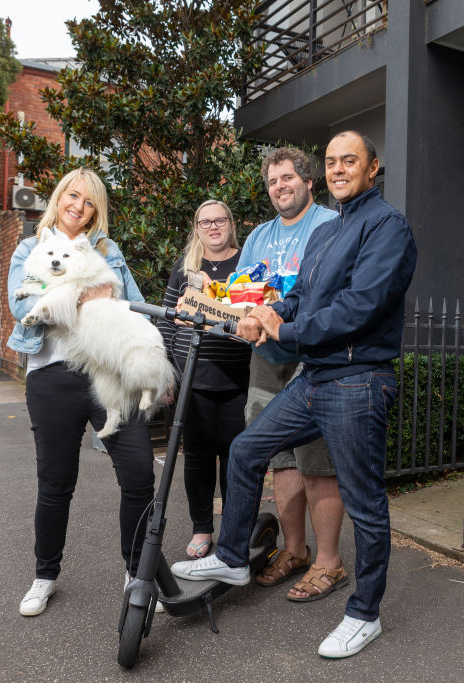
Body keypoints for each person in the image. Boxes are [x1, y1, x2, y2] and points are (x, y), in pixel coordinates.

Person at [172, 131, 417, 659]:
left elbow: (361, 307)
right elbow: (302, 293)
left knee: (365, 503)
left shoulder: (386, 226)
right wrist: (268, 312)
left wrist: (283, 331)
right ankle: (234, 555)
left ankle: (364, 613)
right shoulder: (330, 233)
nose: (338, 169)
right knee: (246, 450)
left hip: (357, 379)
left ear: (373, 168)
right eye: (331, 161)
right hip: (315, 377)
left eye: (348, 161)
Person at [7, 167, 156, 617]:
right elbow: (21, 305)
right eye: (73, 196)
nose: (79, 206)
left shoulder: (109, 252)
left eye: (90, 202)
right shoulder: (31, 249)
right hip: (52, 377)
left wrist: (148, 369)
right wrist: (80, 297)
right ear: (59, 197)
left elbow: (131, 303)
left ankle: (136, 572)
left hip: (107, 373)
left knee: (139, 476)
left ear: (96, 212)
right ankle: (44, 576)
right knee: (55, 484)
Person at [233, 147, 347, 601]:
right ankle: (295, 551)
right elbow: (241, 292)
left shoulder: (328, 226)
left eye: (288, 178)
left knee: (317, 461)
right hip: (265, 358)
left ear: (308, 181)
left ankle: (329, 561)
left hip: (313, 357)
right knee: (278, 459)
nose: (280, 186)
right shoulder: (259, 235)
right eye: (273, 181)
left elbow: (333, 294)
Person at [157, 199, 252, 560]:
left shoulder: (245, 263)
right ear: (196, 228)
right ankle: (202, 528)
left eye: (220, 220)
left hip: (236, 377)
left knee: (234, 456)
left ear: (231, 223)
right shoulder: (185, 268)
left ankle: (232, 527)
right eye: (205, 222)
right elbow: (166, 320)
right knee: (196, 457)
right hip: (191, 378)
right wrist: (165, 372)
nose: (213, 227)